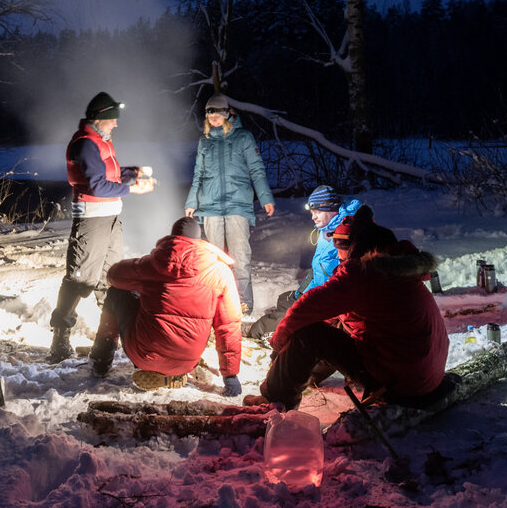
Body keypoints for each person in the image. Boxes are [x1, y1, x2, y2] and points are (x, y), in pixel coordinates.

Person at [256, 205, 449, 410]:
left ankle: (274, 401)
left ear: (358, 248)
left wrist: (278, 346)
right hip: (425, 377)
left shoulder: (364, 274)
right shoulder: (401, 274)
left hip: (400, 384)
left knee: (308, 335)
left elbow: (303, 310)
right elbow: (333, 312)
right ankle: (307, 375)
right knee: (338, 325)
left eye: (342, 251)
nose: (340, 258)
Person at [48, 91, 154, 363]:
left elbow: (108, 175)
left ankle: (107, 338)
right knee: (80, 279)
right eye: (112, 120)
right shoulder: (85, 144)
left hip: (110, 218)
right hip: (92, 219)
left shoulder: (101, 141)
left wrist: (131, 173)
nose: (116, 124)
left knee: (114, 277)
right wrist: (131, 187)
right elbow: (96, 185)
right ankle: (60, 337)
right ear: (99, 119)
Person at [88, 216, 243, 396]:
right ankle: (173, 372)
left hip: (144, 356)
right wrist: (231, 375)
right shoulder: (220, 272)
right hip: (187, 361)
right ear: (199, 240)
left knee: (117, 293)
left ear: (173, 237)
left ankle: (101, 361)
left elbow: (113, 276)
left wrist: (142, 278)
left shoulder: (153, 264)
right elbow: (229, 325)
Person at [184, 93, 275, 315]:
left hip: (238, 204)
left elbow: (256, 169)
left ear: (226, 114)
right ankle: (216, 301)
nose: (214, 118)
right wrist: (191, 200)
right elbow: (198, 174)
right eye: (210, 114)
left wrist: (265, 197)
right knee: (215, 258)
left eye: (218, 114)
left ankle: (243, 304)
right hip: (210, 205)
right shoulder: (204, 141)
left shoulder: (243, 137)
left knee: (240, 255)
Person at [241, 185, 363, 339]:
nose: (313, 217)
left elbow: (339, 284)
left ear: (332, 210)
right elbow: (317, 271)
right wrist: (300, 294)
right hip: (316, 294)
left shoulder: (344, 237)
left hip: (325, 303)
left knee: (285, 318)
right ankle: (269, 327)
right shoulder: (326, 231)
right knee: (285, 300)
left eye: (318, 212)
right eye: (312, 212)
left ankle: (254, 334)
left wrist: (306, 302)